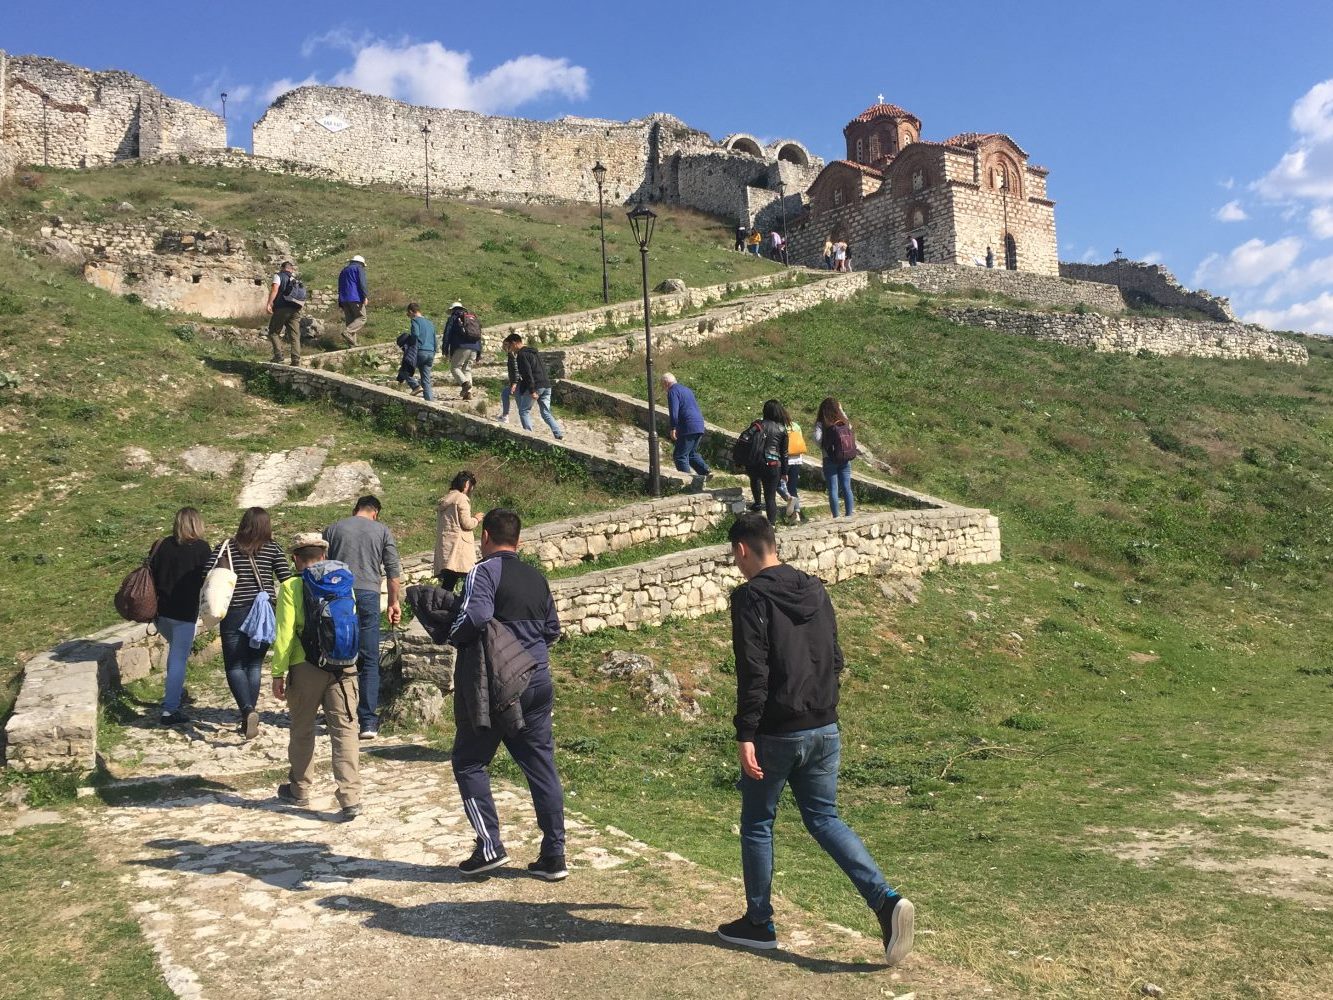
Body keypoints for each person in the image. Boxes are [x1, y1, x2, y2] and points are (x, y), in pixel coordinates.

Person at [717, 514, 914, 964]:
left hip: (776, 731)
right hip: (825, 725)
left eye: (734, 555)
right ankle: (884, 900)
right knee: (825, 818)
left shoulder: (751, 598)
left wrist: (745, 733)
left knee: (757, 824)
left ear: (743, 550)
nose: (735, 563)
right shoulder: (816, 588)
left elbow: (754, 672)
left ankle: (759, 921)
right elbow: (836, 656)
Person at [448, 508, 567, 880]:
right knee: (541, 767)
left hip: (495, 685)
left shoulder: (483, 572)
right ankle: (554, 854)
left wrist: (453, 634)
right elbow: (552, 630)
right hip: (538, 680)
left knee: (469, 762)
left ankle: (489, 846)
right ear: (519, 540)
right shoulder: (538, 578)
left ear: (484, 537)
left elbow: (475, 616)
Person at [270, 533, 361, 820]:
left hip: (305, 666)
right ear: (323, 556)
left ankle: (300, 788)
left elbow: (284, 635)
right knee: (345, 730)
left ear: (295, 558)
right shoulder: (345, 582)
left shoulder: (289, 586)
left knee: (302, 728)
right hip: (343, 667)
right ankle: (350, 797)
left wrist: (277, 673)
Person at [203, 507, 291, 738]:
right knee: (253, 665)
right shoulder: (273, 548)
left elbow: (208, 573)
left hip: (234, 611)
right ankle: (249, 714)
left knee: (234, 665)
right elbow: (286, 578)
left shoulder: (226, 546)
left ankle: (247, 711)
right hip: (264, 613)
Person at [324, 496, 403, 740]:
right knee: (369, 659)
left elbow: (321, 567)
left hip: (338, 596)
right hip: (368, 594)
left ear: (355, 509)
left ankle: (337, 716)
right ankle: (367, 721)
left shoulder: (332, 529)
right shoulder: (382, 531)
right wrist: (393, 602)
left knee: (337, 655)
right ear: (375, 513)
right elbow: (393, 572)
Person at [150, 507, 211, 726]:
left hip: (161, 613)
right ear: (197, 524)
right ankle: (170, 709)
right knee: (177, 660)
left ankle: (173, 693)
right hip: (184, 613)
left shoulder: (162, 545)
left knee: (175, 654)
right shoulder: (202, 549)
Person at [503, 333, 564, 440]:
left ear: (514, 343)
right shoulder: (533, 352)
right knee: (546, 412)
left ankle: (529, 436)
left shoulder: (521, 355)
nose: (510, 349)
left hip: (536, 386)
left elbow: (527, 374)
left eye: (510, 346)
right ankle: (558, 433)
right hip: (546, 384)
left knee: (523, 411)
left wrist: (532, 390)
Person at [663, 372, 710, 490]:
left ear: (666, 383)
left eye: (662, 385)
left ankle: (688, 483)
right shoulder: (687, 390)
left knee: (680, 455)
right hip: (699, 424)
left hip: (687, 426)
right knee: (691, 453)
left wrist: (673, 427)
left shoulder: (672, 391)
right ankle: (706, 472)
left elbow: (674, 411)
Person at [746, 399, 789, 527]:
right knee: (770, 497)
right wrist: (785, 472)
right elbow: (784, 453)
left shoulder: (757, 425)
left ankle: (757, 504)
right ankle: (772, 524)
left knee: (755, 480)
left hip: (756, 461)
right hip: (774, 465)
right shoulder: (782, 429)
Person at [434, 470, 479, 592]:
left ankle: (441, 603)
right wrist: (476, 519)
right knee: (470, 579)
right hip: (460, 547)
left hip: (447, 546)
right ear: (467, 485)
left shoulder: (446, 500)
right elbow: (467, 524)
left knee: (449, 581)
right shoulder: (461, 499)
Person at [814, 397, 856, 518]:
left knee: (833, 489)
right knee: (847, 487)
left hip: (829, 459)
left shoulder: (822, 423)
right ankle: (849, 515)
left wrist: (824, 446)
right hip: (845, 458)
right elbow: (850, 428)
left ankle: (836, 517)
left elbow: (817, 438)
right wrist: (841, 410)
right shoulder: (844, 422)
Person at [265, 260, 303, 366]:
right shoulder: (295, 279)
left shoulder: (279, 276)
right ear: (291, 269)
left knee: (273, 332)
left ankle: (279, 356)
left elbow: (275, 289)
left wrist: (269, 303)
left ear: (282, 268)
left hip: (282, 307)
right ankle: (295, 359)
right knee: (295, 335)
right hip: (295, 308)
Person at [444, 302, 483, 401]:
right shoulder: (472, 318)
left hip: (461, 347)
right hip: (474, 347)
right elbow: (478, 335)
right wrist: (479, 352)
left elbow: (447, 334)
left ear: (452, 310)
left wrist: (445, 349)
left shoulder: (453, 318)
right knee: (467, 370)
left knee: (455, 367)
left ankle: (465, 384)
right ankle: (468, 394)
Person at [402, 303, 437, 401]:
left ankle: (415, 386)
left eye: (408, 314)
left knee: (404, 370)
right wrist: (433, 352)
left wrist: (410, 345)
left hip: (420, 351)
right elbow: (435, 340)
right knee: (426, 380)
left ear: (411, 311)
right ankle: (430, 403)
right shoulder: (430, 323)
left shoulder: (415, 321)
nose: (409, 316)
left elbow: (415, 334)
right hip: (430, 352)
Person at [337, 254, 369, 346]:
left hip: (344, 299)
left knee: (351, 321)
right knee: (362, 318)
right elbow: (362, 283)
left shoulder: (344, 270)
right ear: (361, 263)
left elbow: (340, 286)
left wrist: (340, 301)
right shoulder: (358, 268)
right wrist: (365, 296)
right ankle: (347, 332)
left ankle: (352, 345)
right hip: (355, 298)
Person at [782, 411, 807, 523]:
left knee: (781, 484)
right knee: (793, 487)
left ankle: (788, 499)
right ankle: (796, 513)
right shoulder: (796, 426)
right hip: (797, 459)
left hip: (785, 460)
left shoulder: (781, 427)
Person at [495, 336, 520, 424]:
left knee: (523, 409)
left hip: (518, 383)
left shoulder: (513, 354)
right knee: (505, 393)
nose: (503, 347)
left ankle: (506, 416)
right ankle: (505, 415)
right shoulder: (511, 354)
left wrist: (514, 383)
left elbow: (516, 369)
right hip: (517, 382)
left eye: (505, 345)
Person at [395, 318, 419, 393]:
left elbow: (405, 361)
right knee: (403, 372)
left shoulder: (408, 349)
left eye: (401, 346)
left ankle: (416, 386)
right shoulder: (411, 345)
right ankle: (400, 384)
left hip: (410, 362)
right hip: (412, 361)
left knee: (404, 373)